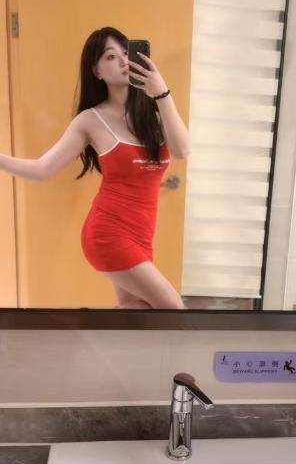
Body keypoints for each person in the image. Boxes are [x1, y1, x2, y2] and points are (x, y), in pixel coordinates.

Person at [0, 26, 190, 309]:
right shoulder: (91, 120)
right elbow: (42, 169)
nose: (123, 61)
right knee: (173, 310)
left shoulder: (156, 112)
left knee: (138, 313)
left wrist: (161, 92)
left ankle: (87, 334)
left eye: (126, 52)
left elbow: (181, 150)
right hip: (108, 233)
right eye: (111, 57)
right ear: (96, 71)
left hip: (143, 234)